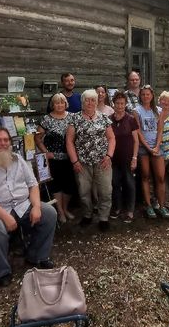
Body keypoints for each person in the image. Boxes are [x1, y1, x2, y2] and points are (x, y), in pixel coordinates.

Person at [0, 127, 57, 286]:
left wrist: (37, 206)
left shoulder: (18, 159)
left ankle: (36, 256)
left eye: (6, 140)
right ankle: (1, 271)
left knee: (49, 213)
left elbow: (32, 185)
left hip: (21, 205)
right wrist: (5, 217)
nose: (2, 143)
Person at [66, 89, 115, 232]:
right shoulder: (74, 118)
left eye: (93, 100)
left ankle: (104, 218)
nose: (90, 102)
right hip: (82, 163)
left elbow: (111, 138)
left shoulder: (104, 118)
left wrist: (109, 156)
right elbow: (69, 141)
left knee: (105, 191)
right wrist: (75, 161)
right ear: (82, 102)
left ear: (97, 101)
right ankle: (87, 215)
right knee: (84, 192)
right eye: (87, 100)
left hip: (103, 162)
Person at [35, 93, 78, 224]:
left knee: (69, 185)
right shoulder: (46, 119)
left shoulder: (72, 117)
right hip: (53, 159)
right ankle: (60, 212)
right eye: (56, 103)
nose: (59, 105)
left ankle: (65, 209)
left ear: (66, 104)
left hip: (70, 157)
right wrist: (45, 152)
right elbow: (37, 138)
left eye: (62, 102)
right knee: (56, 186)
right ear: (52, 105)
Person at [135, 84, 168, 219]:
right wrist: (148, 148)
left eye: (148, 94)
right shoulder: (136, 110)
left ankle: (161, 205)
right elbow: (138, 131)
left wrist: (157, 145)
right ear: (140, 96)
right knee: (145, 176)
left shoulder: (158, 110)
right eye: (143, 94)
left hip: (157, 147)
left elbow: (160, 129)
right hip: (144, 148)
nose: (145, 96)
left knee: (160, 177)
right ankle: (148, 205)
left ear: (152, 95)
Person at [109, 91, 139, 222]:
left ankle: (130, 211)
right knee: (115, 183)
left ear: (125, 104)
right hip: (114, 159)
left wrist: (134, 158)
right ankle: (117, 208)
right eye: (117, 103)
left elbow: (136, 141)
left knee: (129, 184)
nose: (120, 106)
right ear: (113, 104)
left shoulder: (131, 119)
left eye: (122, 103)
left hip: (128, 158)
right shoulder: (109, 119)